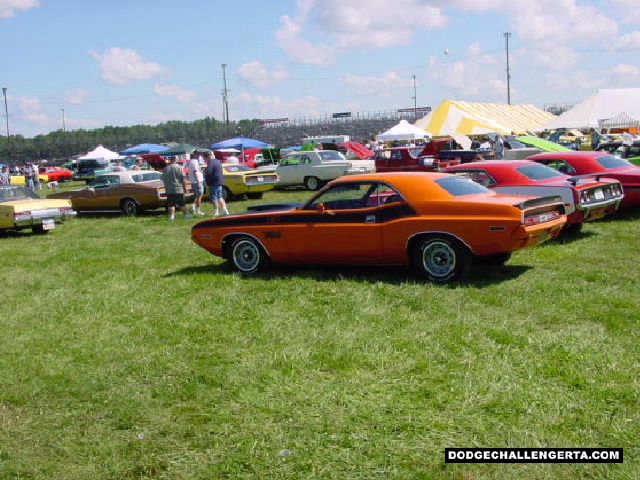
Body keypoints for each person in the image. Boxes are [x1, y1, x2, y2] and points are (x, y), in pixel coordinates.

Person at [161, 156, 192, 220]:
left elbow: (163, 179)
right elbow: (183, 179)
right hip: (178, 188)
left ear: (170, 160)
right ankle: (187, 215)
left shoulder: (166, 168)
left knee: (171, 204)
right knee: (181, 204)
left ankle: (171, 217)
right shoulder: (180, 168)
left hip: (169, 189)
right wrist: (185, 188)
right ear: (176, 160)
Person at [203, 151, 230, 217]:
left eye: (205, 158)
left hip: (213, 182)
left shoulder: (211, 163)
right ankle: (225, 210)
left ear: (208, 157)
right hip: (219, 182)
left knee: (214, 198)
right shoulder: (218, 161)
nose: (205, 160)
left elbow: (208, 172)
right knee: (220, 197)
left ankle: (216, 211)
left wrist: (204, 171)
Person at [186, 151, 205, 215]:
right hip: (197, 181)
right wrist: (198, 181)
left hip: (193, 181)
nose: (199, 156)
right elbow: (195, 172)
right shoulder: (195, 162)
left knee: (197, 195)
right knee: (200, 195)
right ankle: (198, 210)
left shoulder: (190, 161)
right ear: (195, 155)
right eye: (198, 154)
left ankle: (193, 206)